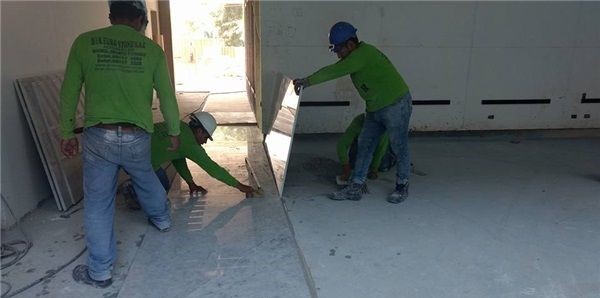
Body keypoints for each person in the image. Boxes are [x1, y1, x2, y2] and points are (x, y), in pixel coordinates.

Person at [59, 0, 180, 288]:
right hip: (137, 136)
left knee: (98, 203)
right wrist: (174, 130)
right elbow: (166, 95)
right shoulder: (152, 50)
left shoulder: (85, 43)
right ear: (140, 20)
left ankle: (100, 271)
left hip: (98, 137)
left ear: (111, 16)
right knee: (144, 177)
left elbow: (69, 91)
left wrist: (66, 132)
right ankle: (162, 219)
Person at [294, 21, 412, 203]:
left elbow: (335, 70)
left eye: (339, 50)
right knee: (365, 145)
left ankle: (402, 185)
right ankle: (355, 187)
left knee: (399, 145)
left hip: (396, 103)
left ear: (350, 44)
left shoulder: (363, 54)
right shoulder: (356, 56)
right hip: (374, 107)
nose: (338, 55)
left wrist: (307, 81)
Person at [122, 111, 257, 208]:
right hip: (138, 160)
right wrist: (240, 186)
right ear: (199, 131)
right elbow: (212, 168)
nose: (205, 142)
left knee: (162, 183)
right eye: (206, 137)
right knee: (161, 191)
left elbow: (177, 158)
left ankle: (137, 181)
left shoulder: (180, 128)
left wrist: (190, 183)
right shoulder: (190, 144)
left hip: (129, 147)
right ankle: (132, 187)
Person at [337, 113, 396, 185]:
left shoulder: (382, 125)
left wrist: (374, 169)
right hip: (363, 143)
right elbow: (342, 144)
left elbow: (380, 149)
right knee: (353, 165)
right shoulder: (359, 122)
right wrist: (345, 165)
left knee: (383, 167)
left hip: (382, 145)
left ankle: (393, 156)